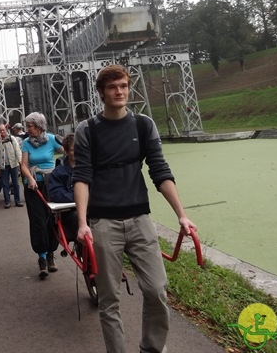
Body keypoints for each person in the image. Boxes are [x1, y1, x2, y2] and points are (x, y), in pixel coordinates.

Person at [72, 64, 197, 353]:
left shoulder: (143, 125)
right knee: (109, 298)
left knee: (155, 289)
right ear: (102, 92)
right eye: (113, 87)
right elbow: (82, 178)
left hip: (140, 218)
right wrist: (82, 222)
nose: (120, 91)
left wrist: (182, 215)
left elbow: (160, 171)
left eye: (124, 86)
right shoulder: (87, 130)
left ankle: (151, 348)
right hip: (103, 222)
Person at [19, 112, 63, 279]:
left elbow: (68, 151)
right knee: (38, 221)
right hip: (33, 186)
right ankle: (42, 258)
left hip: (51, 184)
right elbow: (23, 165)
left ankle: (52, 254)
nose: (27, 129)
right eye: (27, 126)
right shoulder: (26, 143)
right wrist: (30, 178)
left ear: (39, 126)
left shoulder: (51, 139)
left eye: (30, 126)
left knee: (51, 219)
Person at [46, 133, 78, 241]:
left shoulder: (89, 168)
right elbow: (56, 193)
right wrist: (78, 197)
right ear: (67, 152)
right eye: (74, 150)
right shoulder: (58, 173)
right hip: (69, 212)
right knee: (77, 217)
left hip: (90, 208)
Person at [0, 123, 23, 208]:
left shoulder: (12, 138)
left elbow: (17, 150)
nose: (2, 132)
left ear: (6, 130)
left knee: (16, 183)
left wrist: (20, 162)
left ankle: (17, 200)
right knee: (5, 184)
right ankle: (7, 201)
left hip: (13, 164)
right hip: (3, 166)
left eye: (3, 130)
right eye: (0, 130)